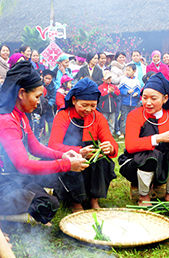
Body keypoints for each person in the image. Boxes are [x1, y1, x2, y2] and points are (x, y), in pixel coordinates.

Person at [0, 61, 87, 224]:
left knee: (52, 193)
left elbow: (35, 147)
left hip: (13, 177)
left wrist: (63, 155)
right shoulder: (5, 120)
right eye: (36, 96)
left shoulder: (19, 115)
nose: (38, 102)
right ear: (21, 93)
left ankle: (27, 202)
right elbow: (24, 165)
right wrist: (66, 163)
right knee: (46, 205)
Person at [119, 73, 169, 206]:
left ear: (165, 98)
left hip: (164, 163)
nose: (148, 102)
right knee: (151, 156)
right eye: (144, 98)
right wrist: (158, 138)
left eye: (153, 98)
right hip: (136, 163)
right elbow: (130, 145)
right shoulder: (135, 115)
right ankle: (143, 196)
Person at [48, 78, 118, 211]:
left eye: (93, 105)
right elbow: (53, 145)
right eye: (84, 105)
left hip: (90, 156)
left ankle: (94, 199)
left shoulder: (98, 117)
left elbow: (112, 142)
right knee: (73, 161)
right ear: (74, 100)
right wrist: (79, 151)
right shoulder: (63, 116)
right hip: (68, 154)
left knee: (103, 161)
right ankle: (75, 201)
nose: (88, 109)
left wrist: (110, 147)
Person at [119, 63, 141, 137]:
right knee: (124, 117)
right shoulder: (124, 80)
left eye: (129, 70)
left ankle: (131, 132)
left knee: (133, 118)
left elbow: (139, 90)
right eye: (126, 70)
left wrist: (137, 93)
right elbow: (120, 90)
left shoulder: (137, 81)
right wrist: (126, 92)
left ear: (134, 71)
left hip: (134, 103)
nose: (127, 71)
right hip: (125, 102)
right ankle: (122, 132)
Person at [110, 52, 127, 135]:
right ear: (116, 58)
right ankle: (116, 129)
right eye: (120, 57)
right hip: (117, 92)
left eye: (123, 57)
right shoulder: (114, 68)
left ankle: (121, 128)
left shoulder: (125, 67)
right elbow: (114, 80)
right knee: (117, 112)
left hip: (125, 92)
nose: (122, 59)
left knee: (124, 111)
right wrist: (123, 76)